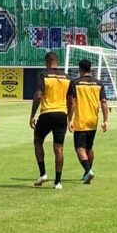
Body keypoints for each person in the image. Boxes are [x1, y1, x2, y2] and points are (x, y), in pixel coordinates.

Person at [29, 52, 74, 190]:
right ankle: (58, 182)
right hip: (61, 114)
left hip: (47, 113)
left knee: (37, 140)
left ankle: (43, 174)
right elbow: (72, 102)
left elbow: (38, 95)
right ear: (57, 61)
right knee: (59, 148)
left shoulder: (43, 75)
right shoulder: (67, 78)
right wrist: (69, 119)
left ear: (46, 61)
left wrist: (32, 115)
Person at [68, 59, 108, 184]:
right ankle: (87, 172)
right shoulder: (98, 83)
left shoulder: (75, 83)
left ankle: (88, 171)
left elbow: (73, 103)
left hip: (81, 120)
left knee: (80, 148)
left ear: (80, 69)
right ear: (90, 69)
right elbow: (104, 102)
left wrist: (70, 119)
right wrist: (106, 120)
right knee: (89, 147)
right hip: (93, 120)